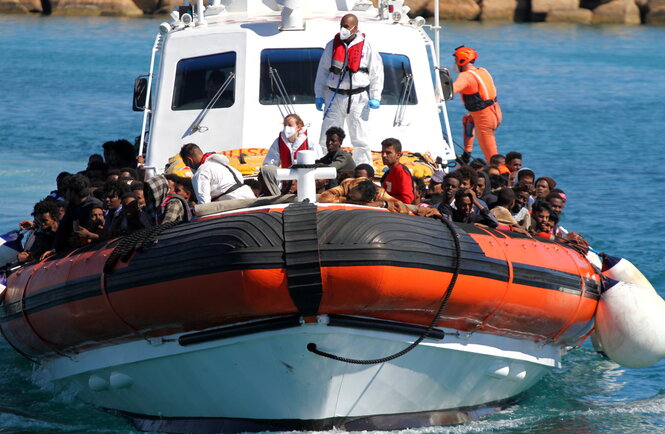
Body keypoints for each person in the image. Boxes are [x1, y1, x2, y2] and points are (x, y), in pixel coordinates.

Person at [314, 13, 384, 166]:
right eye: (341, 26)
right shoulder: (332, 45)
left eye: (346, 26)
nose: (343, 29)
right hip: (334, 96)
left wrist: (376, 96)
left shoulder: (367, 46)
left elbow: (376, 72)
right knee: (328, 136)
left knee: (360, 137)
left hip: (359, 98)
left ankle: (363, 169)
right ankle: (326, 167)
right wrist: (319, 95)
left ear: (355, 28)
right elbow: (322, 72)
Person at [452, 46, 502, 163]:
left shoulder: (465, 76)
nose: (454, 64)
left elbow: (449, 91)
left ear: (462, 60)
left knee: (492, 158)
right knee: (468, 119)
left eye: (455, 61)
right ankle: (466, 154)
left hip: (484, 119)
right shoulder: (482, 71)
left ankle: (502, 176)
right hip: (495, 113)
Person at [179, 143, 255, 204]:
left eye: (186, 163)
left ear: (190, 160)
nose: (187, 166)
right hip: (251, 200)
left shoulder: (201, 172)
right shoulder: (226, 166)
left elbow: (204, 203)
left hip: (234, 206)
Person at [53, 174, 103, 252]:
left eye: (66, 191)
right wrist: (55, 249)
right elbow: (63, 229)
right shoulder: (72, 206)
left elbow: (104, 233)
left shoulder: (95, 206)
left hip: (93, 248)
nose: (64, 194)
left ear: (72, 192)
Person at [318, 177, 409, 214]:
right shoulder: (348, 185)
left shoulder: (380, 192)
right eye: (350, 195)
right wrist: (349, 201)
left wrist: (383, 204)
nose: (348, 195)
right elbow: (324, 197)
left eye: (352, 197)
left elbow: (404, 209)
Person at [379, 138, 414, 204]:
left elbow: (407, 200)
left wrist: (386, 202)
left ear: (398, 155)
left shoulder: (401, 172)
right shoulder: (388, 173)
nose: (384, 156)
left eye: (388, 153)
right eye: (382, 152)